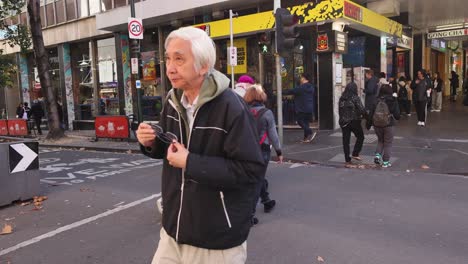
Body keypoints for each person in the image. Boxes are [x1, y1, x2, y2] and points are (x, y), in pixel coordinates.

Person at [136, 27, 266, 264]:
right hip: (173, 232)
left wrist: (190, 162)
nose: (170, 67)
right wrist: (152, 142)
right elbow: (169, 147)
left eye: (179, 58)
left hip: (216, 242)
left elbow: (251, 171)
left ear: (204, 65)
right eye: (167, 58)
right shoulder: (173, 101)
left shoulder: (232, 107)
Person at [243, 84, 282, 225]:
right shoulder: (267, 113)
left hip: (246, 149)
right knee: (257, 180)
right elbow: (273, 134)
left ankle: (266, 201)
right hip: (262, 149)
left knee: (257, 178)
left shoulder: (243, 111)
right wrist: (279, 151)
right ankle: (249, 216)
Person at [370, 84, 400, 168]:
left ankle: (377, 155)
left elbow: (371, 113)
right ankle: (386, 162)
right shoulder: (392, 100)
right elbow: (397, 115)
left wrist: (368, 124)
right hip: (389, 125)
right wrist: (395, 100)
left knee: (380, 140)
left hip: (377, 124)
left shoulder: (375, 100)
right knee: (388, 143)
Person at [283, 73, 317, 142]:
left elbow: (291, 91)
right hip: (309, 108)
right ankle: (305, 138)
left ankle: (311, 132)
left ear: (304, 78)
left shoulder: (301, 88)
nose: (300, 79)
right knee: (306, 123)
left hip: (302, 108)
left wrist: (281, 91)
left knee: (299, 121)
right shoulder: (311, 87)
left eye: (301, 77)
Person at [338, 82, 366, 166]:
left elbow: (340, 110)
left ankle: (347, 159)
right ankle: (355, 153)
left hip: (343, 122)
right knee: (360, 137)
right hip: (354, 121)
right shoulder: (355, 97)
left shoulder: (342, 98)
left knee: (345, 141)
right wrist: (367, 117)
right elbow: (361, 109)